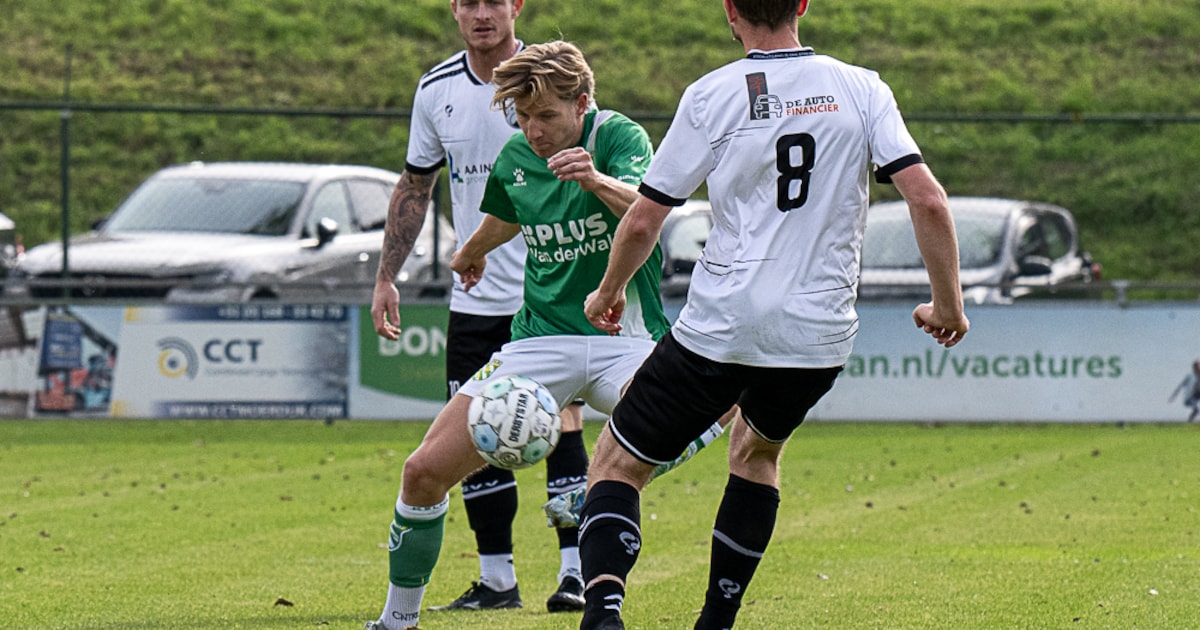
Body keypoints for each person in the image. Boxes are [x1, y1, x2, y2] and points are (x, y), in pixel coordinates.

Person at [574, 1, 971, 629]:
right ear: (803, 4)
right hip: (816, 334)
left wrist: (608, 291)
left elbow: (648, 214)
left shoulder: (712, 94)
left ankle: (602, 610)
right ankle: (717, 622)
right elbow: (926, 197)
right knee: (756, 454)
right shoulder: (861, 88)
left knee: (617, 464)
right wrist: (948, 303)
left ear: (730, 11)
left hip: (721, 324)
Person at [364, 40, 671, 630]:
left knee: (722, 402)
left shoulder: (619, 138)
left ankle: (596, 486)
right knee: (422, 471)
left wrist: (594, 177)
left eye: (547, 117)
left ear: (582, 103)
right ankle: (397, 621)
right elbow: (508, 212)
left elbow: (648, 210)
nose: (533, 129)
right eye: (523, 117)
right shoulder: (516, 153)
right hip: (537, 343)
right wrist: (472, 252)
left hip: (626, 339)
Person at [368, 0, 591, 616]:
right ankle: (497, 580)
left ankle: (574, 572)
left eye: (496, 0)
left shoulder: (547, 79)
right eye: (471, 1)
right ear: (455, 9)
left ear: (517, 6)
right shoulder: (436, 88)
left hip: (550, 293)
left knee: (562, 420)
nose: (483, 13)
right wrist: (388, 277)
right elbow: (417, 184)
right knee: (480, 430)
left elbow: (587, 167)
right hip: (475, 298)